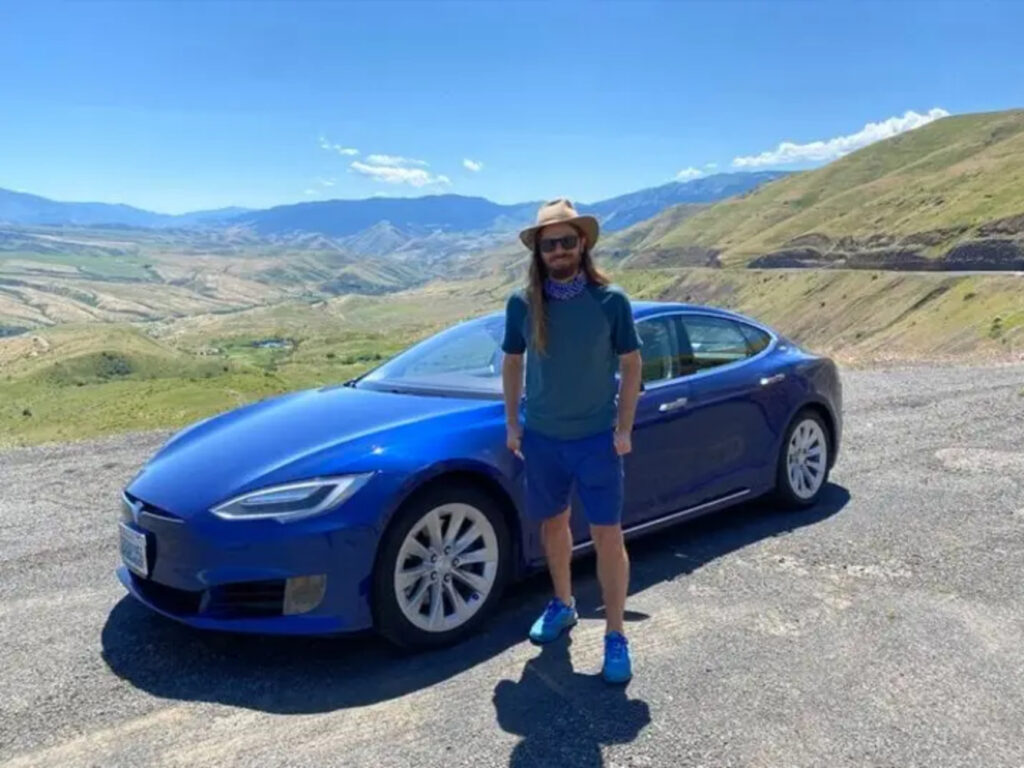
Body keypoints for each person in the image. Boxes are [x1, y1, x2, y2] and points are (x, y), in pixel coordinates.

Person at [500, 197, 643, 683]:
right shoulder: (522, 304)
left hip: (596, 441)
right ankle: (563, 604)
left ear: (582, 244)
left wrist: (624, 427)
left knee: (608, 534)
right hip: (543, 439)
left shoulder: (611, 302)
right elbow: (513, 362)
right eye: (548, 244)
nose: (558, 250)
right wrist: (512, 423)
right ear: (538, 252)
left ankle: (616, 635)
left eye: (566, 241)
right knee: (554, 527)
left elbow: (631, 363)